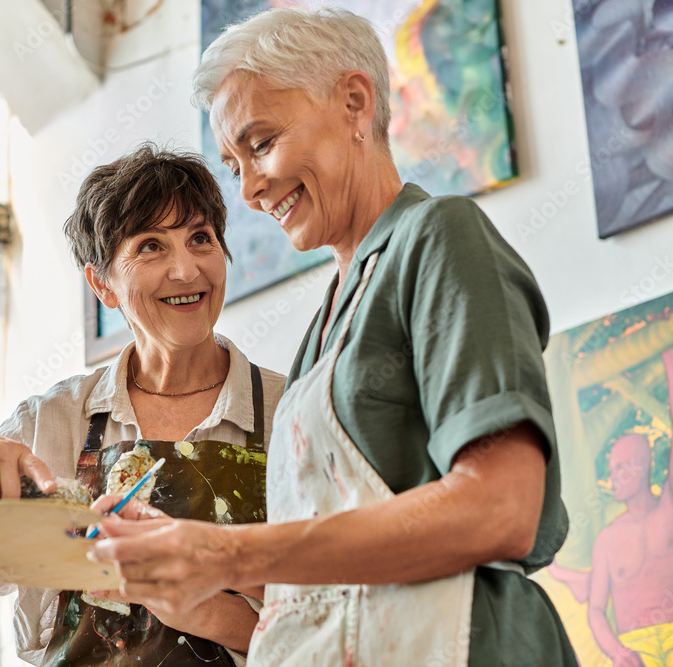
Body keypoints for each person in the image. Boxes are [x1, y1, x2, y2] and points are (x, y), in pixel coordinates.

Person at [85, 8, 578, 666]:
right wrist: (197, 569)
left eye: (260, 144)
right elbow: (331, 574)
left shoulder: (437, 239)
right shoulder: (322, 332)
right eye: (234, 165)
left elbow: (501, 507)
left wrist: (227, 550)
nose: (252, 190)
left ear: (354, 101)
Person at [0, 144, 286, 666]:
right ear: (102, 284)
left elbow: (344, 618)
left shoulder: (292, 411)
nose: (186, 270)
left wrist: (206, 609)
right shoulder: (50, 425)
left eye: (200, 238)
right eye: (151, 246)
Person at [551, 347, 673, 667]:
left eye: (622, 467)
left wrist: (670, 365)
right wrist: (619, 652)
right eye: (612, 467)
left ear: (644, 466)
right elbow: (595, 610)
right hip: (634, 645)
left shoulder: (666, 513)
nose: (613, 476)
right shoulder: (606, 539)